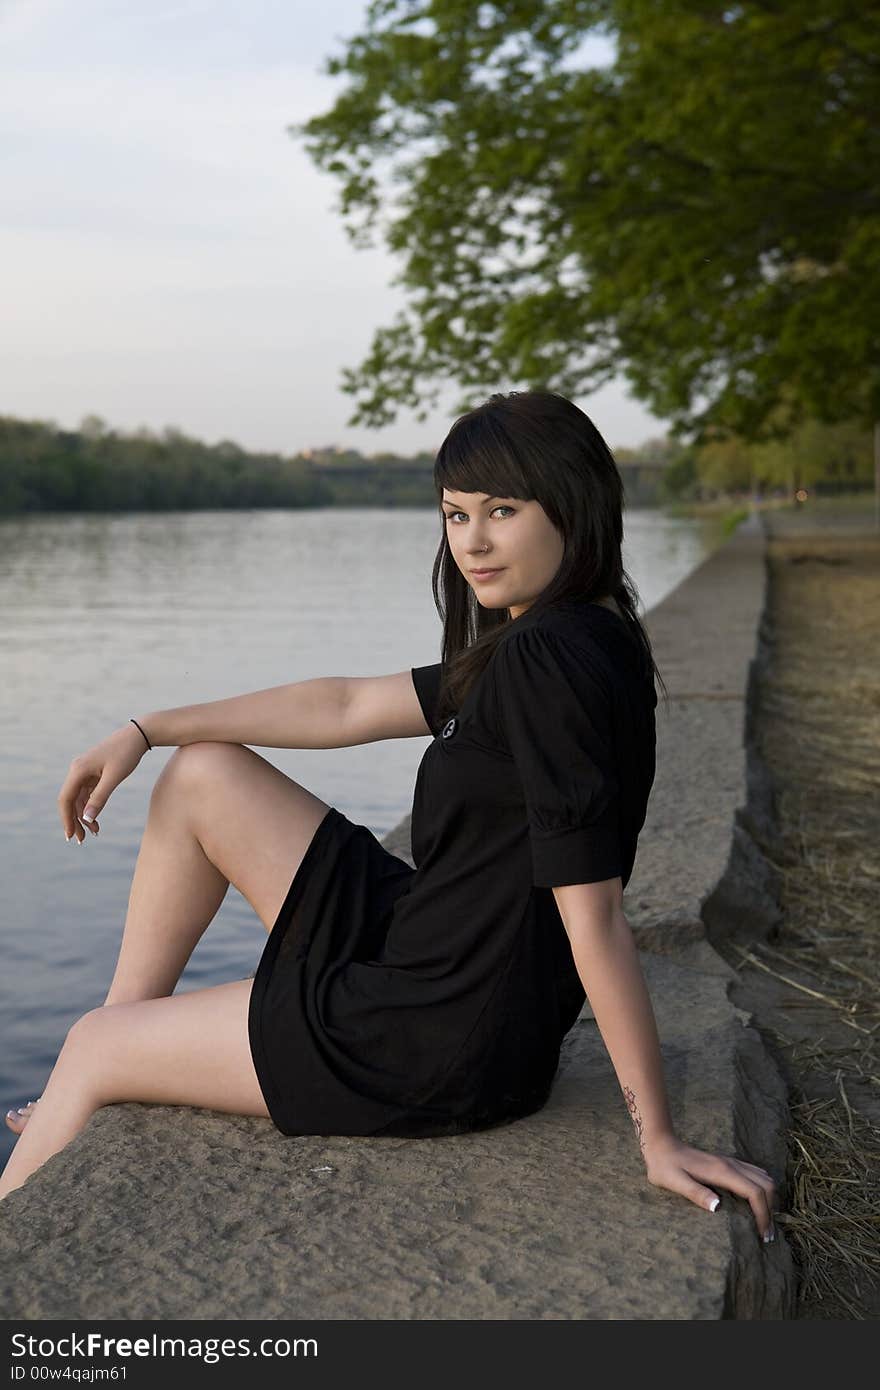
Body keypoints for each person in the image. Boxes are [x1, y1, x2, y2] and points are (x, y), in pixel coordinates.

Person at [0, 390, 777, 1245]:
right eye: (455, 514)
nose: (472, 542)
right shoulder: (569, 633)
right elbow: (344, 706)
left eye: (503, 512)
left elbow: (592, 914)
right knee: (203, 773)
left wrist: (655, 1137)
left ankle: (92, 1089)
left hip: (434, 1035)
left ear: (574, 505)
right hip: (428, 942)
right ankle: (136, 1035)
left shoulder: (547, 663)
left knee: (93, 1043)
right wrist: (148, 729)